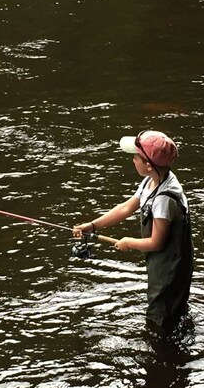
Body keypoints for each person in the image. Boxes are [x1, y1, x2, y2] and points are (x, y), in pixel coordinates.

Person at [74, 130, 194, 331]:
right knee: (171, 308)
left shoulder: (164, 199)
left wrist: (128, 242)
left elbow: (157, 242)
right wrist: (93, 225)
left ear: (148, 165)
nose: (132, 160)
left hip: (172, 265)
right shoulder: (152, 180)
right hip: (165, 262)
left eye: (136, 157)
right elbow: (126, 207)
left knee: (160, 316)